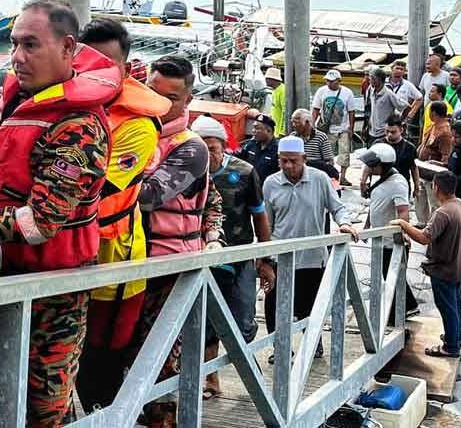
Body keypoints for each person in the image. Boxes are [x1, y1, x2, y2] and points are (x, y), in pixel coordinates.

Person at [0, 0, 118, 427]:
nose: (18, 57)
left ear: (67, 48)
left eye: (31, 46)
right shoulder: (16, 103)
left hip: (52, 293)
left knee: (43, 405)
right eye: (14, 44)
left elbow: (41, 222)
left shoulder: (78, 126)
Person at [121, 55, 225, 428]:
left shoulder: (190, 146)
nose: (162, 104)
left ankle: (163, 422)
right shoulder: (135, 132)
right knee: (122, 353)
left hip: (169, 268)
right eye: (153, 91)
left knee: (159, 356)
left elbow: (148, 195)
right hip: (129, 262)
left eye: (173, 98)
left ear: (188, 99)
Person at [75, 18, 172, 413]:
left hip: (114, 260)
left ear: (126, 68)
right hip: (59, 260)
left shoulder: (137, 125)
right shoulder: (61, 106)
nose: (95, 71)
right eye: (88, 61)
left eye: (107, 63)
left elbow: (98, 192)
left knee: (102, 362)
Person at [192, 115, 273, 398]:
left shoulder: (245, 171)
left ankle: (252, 373)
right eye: (200, 147)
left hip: (239, 257)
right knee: (206, 323)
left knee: (245, 321)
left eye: (212, 147)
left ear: (224, 146)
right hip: (200, 261)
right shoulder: (187, 172)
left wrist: (266, 259)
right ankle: (210, 380)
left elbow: (259, 215)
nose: (207, 154)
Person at [262, 136, 358, 361]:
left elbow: (338, 208)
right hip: (280, 257)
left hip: (312, 259)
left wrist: (345, 223)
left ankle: (314, 343)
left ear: (304, 159)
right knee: (274, 305)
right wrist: (264, 256)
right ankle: (280, 348)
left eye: (293, 161)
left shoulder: (320, 179)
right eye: (283, 161)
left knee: (309, 306)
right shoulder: (271, 183)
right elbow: (266, 223)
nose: (288, 166)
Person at [391, 171, 461, 357]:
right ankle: (455, 338)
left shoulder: (443, 213)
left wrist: (403, 224)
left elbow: (424, 238)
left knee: (447, 308)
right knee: (455, 304)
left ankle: (451, 347)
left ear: (436, 188)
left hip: (444, 269)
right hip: (458, 266)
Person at [358, 144, 419, 319]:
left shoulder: (398, 183)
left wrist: (403, 234)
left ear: (382, 165)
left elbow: (403, 212)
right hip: (380, 238)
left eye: (372, 165)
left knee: (392, 275)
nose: (369, 168)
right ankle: (406, 307)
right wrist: (367, 226)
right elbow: (375, 207)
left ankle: (397, 313)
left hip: (392, 241)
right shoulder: (381, 180)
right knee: (389, 274)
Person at [311, 69, 356, 185]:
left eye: (332, 81)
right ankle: (329, 175)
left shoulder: (348, 93)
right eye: (328, 81)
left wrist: (351, 128)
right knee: (327, 154)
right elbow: (316, 109)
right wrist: (312, 125)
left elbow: (351, 111)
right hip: (326, 128)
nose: (329, 83)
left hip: (343, 128)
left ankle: (343, 177)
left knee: (344, 154)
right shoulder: (321, 91)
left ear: (339, 81)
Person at [418, 101, 454, 226]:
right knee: (419, 197)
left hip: (433, 172)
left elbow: (446, 156)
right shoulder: (433, 126)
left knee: (433, 201)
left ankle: (434, 225)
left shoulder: (445, 132)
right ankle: (422, 222)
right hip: (422, 169)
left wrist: (436, 164)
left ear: (433, 113)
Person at [290, 108, 337, 180]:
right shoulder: (292, 137)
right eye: (292, 122)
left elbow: (329, 162)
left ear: (307, 122)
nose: (294, 125)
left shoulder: (321, 137)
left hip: (316, 175)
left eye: (296, 122)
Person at [382, 115, 421, 199]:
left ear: (401, 130)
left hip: (402, 186)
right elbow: (369, 166)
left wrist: (417, 187)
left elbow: (414, 168)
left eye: (393, 132)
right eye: (387, 131)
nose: (389, 135)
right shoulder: (379, 144)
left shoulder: (409, 148)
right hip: (382, 186)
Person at [238, 113, 279, 184]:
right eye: (253, 127)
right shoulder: (250, 144)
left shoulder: (278, 150)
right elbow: (240, 160)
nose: (253, 131)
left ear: (269, 131)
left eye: (257, 128)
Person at [365, 67, 400, 143]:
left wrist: (399, 122)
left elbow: (405, 106)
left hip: (384, 133)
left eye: (372, 78)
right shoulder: (371, 90)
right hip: (372, 131)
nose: (369, 80)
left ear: (377, 80)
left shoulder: (388, 93)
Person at [265, 67, 286, 137]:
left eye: (267, 78)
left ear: (273, 79)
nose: (266, 80)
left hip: (279, 133)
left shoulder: (283, 91)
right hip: (274, 131)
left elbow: (285, 112)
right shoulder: (274, 90)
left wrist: (282, 132)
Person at [447, 120, 461, 199]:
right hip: (454, 191)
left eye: (457, 137)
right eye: (452, 136)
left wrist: (452, 178)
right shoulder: (456, 149)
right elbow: (453, 166)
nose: (453, 140)